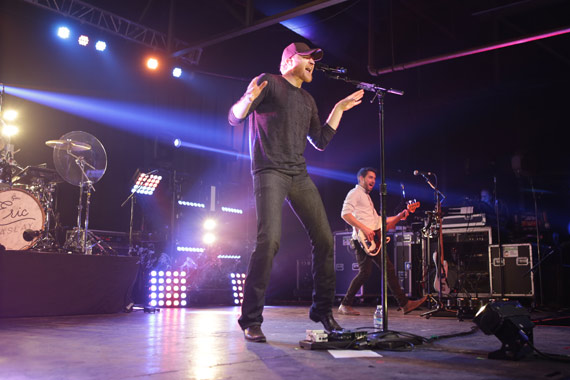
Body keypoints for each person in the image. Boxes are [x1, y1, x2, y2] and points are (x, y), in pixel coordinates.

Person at [228, 42, 364, 342]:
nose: (313, 63)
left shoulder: (308, 100)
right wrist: (247, 99)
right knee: (269, 241)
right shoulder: (269, 82)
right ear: (289, 61)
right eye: (307, 58)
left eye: (314, 59)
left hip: (298, 173)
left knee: (325, 238)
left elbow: (321, 140)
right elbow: (235, 117)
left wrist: (339, 109)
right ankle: (251, 319)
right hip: (269, 171)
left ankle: (323, 310)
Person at [338, 167, 427, 316]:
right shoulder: (355, 193)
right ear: (361, 179)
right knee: (374, 272)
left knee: (374, 272)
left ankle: (404, 304)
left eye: (374, 178)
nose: (373, 180)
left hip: (373, 240)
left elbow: (380, 222)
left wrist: (401, 215)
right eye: (370, 177)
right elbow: (345, 214)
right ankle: (404, 304)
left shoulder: (366, 197)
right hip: (363, 240)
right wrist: (365, 229)